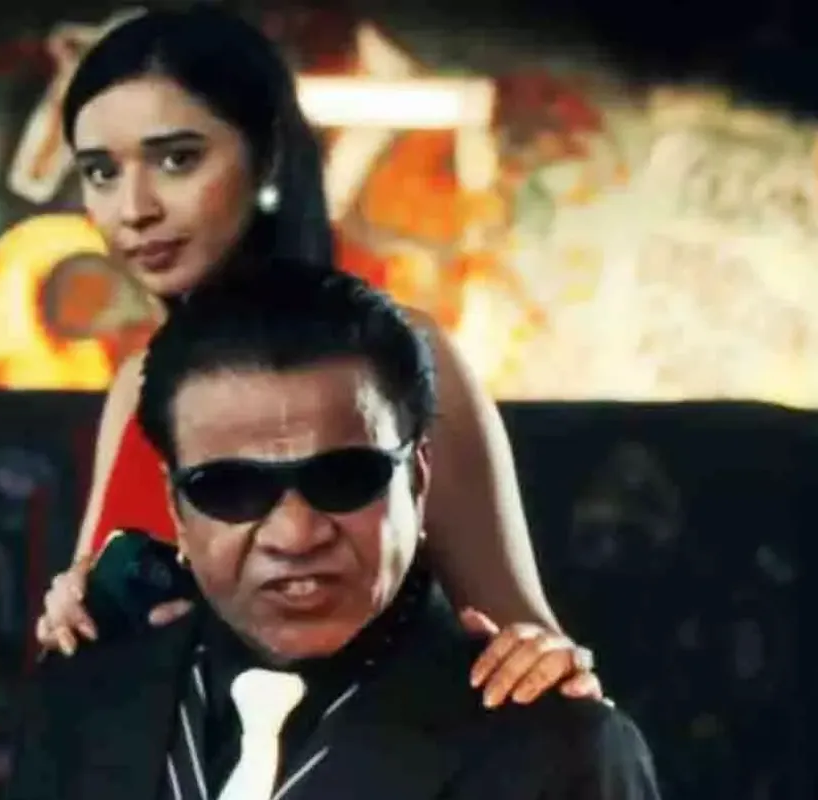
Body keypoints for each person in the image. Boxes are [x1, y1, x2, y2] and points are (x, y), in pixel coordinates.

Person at [35, 3, 600, 707]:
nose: (134, 207)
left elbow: (530, 649)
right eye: (100, 172)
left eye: (177, 159)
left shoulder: (398, 359)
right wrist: (77, 610)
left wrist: (550, 665)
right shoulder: (135, 385)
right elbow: (96, 646)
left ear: (268, 155)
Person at [8, 262, 659, 800]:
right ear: (175, 506)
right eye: (231, 488)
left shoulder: (556, 748)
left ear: (419, 478)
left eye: (346, 477)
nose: (295, 535)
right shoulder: (77, 709)